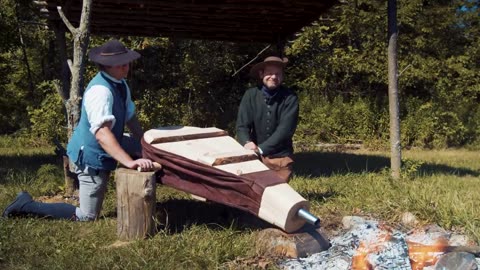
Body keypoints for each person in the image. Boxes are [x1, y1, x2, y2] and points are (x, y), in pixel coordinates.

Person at [3, 39, 154, 221]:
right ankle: (25, 205)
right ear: (106, 66)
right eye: (120, 64)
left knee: (147, 149)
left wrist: (144, 144)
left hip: (108, 142)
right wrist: (130, 162)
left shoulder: (120, 84)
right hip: (91, 154)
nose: (126, 67)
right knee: (87, 216)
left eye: (126, 62)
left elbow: (130, 116)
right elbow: (102, 135)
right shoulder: (101, 92)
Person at [236, 56, 299, 182]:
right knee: (252, 195)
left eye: (278, 74)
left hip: (280, 156)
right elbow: (242, 125)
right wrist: (246, 142)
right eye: (269, 73)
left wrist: (261, 149)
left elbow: (285, 130)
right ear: (261, 74)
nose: (274, 77)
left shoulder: (290, 98)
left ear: (282, 76)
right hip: (253, 156)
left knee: (278, 195)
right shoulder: (250, 95)